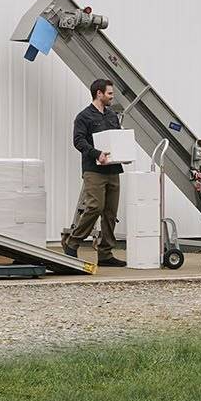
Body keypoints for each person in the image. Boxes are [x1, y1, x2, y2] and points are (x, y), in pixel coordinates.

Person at [58, 76, 127, 266]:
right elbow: (78, 141)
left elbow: (117, 138)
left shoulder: (112, 115)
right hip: (94, 170)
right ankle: (72, 243)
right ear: (99, 94)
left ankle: (105, 254)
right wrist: (97, 154)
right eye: (110, 93)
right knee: (95, 207)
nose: (112, 97)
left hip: (113, 169)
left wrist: (124, 153)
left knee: (110, 213)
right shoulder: (84, 117)